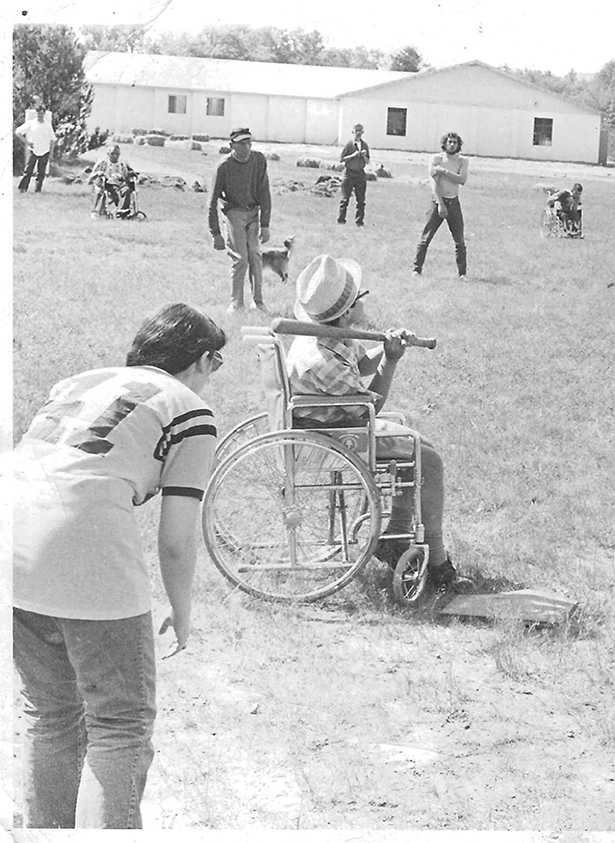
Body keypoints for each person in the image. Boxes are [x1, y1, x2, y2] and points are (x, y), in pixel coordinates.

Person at [9, 303, 226, 828]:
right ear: (199, 359)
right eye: (216, 362)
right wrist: (182, 607)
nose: (213, 375)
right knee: (120, 726)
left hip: (11, 539)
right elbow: (176, 539)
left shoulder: (80, 381)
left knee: (52, 717)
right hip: (81, 545)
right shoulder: (188, 405)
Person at [286, 254, 460, 592]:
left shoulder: (329, 336)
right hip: (334, 437)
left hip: (335, 425)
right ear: (349, 311)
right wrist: (392, 361)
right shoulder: (322, 360)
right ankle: (437, 561)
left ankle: (394, 536)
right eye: (361, 297)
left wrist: (389, 347)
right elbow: (370, 408)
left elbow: (362, 365)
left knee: (421, 448)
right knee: (431, 462)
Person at [208, 127, 273, 312]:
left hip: (253, 213)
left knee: (255, 256)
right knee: (240, 259)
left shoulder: (259, 160)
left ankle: (258, 302)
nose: (247, 147)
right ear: (232, 145)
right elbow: (211, 201)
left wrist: (265, 225)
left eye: (249, 143)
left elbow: (264, 192)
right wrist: (216, 233)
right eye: (242, 143)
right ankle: (236, 304)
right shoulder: (224, 166)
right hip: (233, 213)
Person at [412, 131, 470, 280]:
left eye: (455, 142)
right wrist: (441, 205)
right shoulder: (436, 159)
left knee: (460, 241)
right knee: (426, 238)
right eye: (449, 142)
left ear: (458, 145)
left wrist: (443, 171)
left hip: (454, 202)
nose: (452, 144)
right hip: (437, 201)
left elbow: (462, 179)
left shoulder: (462, 161)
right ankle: (416, 270)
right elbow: (434, 183)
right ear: (444, 143)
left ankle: (462, 274)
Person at [16, 105, 55, 194]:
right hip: (33, 150)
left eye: (42, 113)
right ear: (36, 114)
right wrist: (27, 142)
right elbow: (18, 132)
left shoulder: (47, 126)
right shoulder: (31, 123)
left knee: (41, 173)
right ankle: (22, 189)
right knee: (28, 170)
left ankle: (38, 190)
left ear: (44, 114)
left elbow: (53, 140)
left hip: (44, 151)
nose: (40, 115)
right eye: (39, 113)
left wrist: (51, 153)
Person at [89, 143, 136, 219]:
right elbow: (92, 176)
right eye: (112, 154)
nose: (115, 156)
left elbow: (126, 176)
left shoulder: (122, 164)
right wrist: (98, 173)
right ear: (108, 154)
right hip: (108, 183)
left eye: (117, 154)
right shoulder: (103, 163)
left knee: (127, 190)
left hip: (121, 183)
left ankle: (123, 210)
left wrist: (130, 175)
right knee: (114, 190)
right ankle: (101, 211)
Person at [337, 123, 370, 227]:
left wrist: (364, 156)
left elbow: (368, 161)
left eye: (360, 131)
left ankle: (359, 222)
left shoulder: (364, 145)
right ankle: (341, 220)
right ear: (353, 132)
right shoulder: (349, 145)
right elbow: (342, 159)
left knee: (361, 200)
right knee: (345, 199)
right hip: (349, 173)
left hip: (360, 174)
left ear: (363, 132)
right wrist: (353, 155)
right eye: (357, 131)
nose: (359, 133)